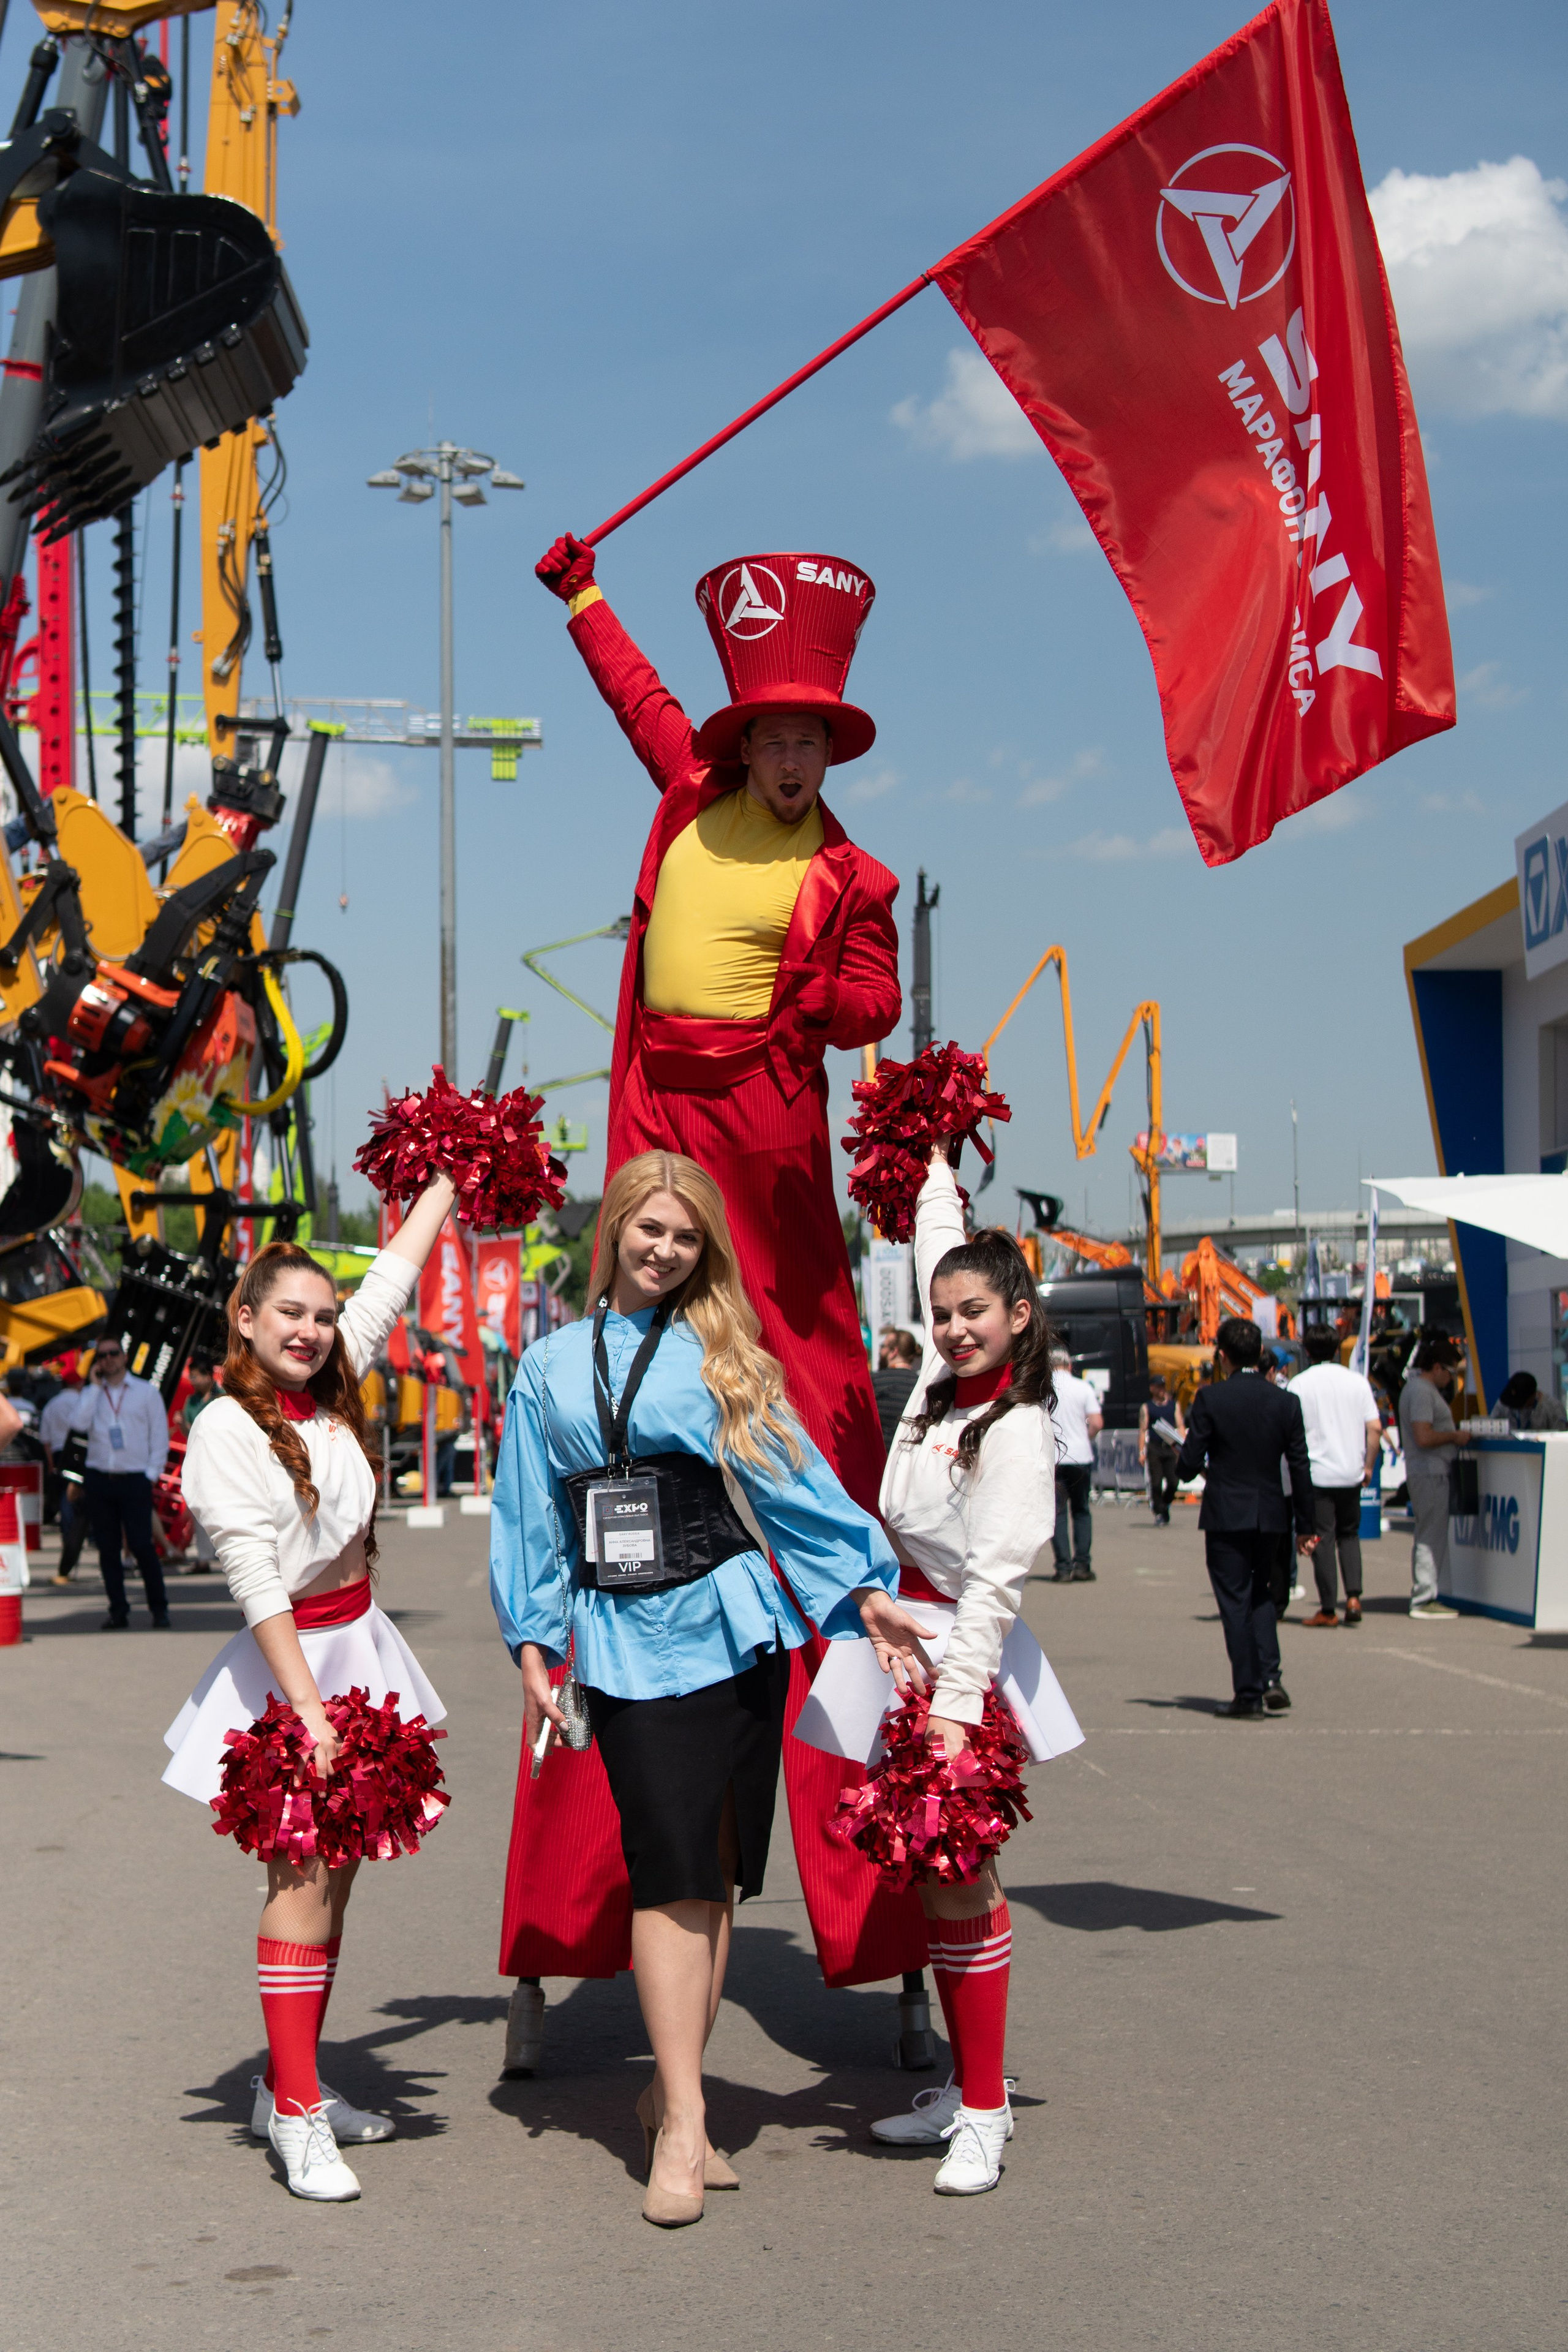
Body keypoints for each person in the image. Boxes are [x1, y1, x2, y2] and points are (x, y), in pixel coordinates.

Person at [503, 532, 922, 2028]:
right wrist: (582, 597)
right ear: (745, 743)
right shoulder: (688, 788)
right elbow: (637, 696)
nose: (793, 758)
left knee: (793, 1394)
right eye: (776, 737)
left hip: (763, 1124)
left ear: (830, 751)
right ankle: (574, 1926)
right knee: (619, 1369)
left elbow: (874, 994)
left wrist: (829, 1002)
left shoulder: (851, 873)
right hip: (659, 1109)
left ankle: (882, 1908)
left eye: (814, 740)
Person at [490, 1151, 927, 2226]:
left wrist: (864, 1589)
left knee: (718, 1875)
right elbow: (529, 1511)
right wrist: (534, 1641)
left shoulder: (725, 1353)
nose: (666, 1250)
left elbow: (792, 1484)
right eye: (652, 1229)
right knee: (669, 1871)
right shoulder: (547, 1366)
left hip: (734, 1632)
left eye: (687, 1238)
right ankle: (686, 2120)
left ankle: (669, 2097)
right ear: (615, 1227)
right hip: (623, 1644)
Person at [162, 1174, 457, 2203]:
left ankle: (293, 2088)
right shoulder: (224, 1428)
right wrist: (309, 1712)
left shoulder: (333, 1386)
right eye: (290, 1312)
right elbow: (255, 1583)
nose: (314, 1331)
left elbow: (392, 1281)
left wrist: (451, 1174)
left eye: (324, 1317)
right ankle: (295, 2115)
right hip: (292, 1672)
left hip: (361, 1653)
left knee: (337, 1885)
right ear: (244, 1318)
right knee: (300, 1886)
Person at [866, 1151, 1078, 2194]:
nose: (953, 1328)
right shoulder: (936, 1393)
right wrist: (932, 1159)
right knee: (937, 1880)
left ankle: (987, 2111)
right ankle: (965, 2088)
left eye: (975, 1313)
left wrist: (954, 1708)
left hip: (961, 1664)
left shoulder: (1021, 1428)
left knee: (963, 1876)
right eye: (943, 1313)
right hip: (904, 1652)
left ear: (1020, 1317)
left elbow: (996, 1585)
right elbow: (935, 1244)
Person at [1175, 1317, 1316, 1717]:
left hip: (1226, 1512)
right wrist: (1306, 1525)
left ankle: (1249, 1693)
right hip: (1271, 1511)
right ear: (1260, 1354)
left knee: (1235, 1600)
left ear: (1222, 1356)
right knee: (1261, 1593)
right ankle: (1270, 1676)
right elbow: (1300, 1466)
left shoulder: (1211, 1398)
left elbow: (1189, 1465)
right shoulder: (1286, 1402)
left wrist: (1182, 1460)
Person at [77, 1335, 171, 1630]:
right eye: (102, 1356)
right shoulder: (93, 1393)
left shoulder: (146, 1392)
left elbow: (159, 1436)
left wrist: (151, 1475)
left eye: (113, 1353)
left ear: (125, 1357)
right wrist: (94, 1387)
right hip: (100, 1478)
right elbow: (78, 1424)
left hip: (134, 1479)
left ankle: (159, 1608)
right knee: (108, 1549)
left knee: (142, 1545)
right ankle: (118, 1610)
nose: (108, 1359)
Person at [1290, 1326, 1381, 1627]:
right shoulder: (1357, 1382)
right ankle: (1354, 1597)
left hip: (1317, 1474)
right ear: (1337, 1348)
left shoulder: (1299, 1384)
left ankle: (1328, 1608)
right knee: (1350, 1534)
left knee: (1323, 1539)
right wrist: (1368, 1466)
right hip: (1350, 1471)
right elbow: (1375, 1428)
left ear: (1307, 1351)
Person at [1397, 1337, 1466, 1621]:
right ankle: (1424, 1598)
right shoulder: (1422, 1392)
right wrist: (1454, 1436)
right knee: (1431, 1535)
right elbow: (1423, 1437)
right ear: (1437, 1367)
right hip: (1430, 1472)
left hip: (1426, 1471)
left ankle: (1428, 1593)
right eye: (1450, 1372)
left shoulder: (1416, 1389)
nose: (1451, 1379)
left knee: (1429, 1533)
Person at [1047, 1346, 1102, 1581]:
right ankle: (1082, 1564)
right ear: (1070, 1365)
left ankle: (1063, 1567)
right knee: (1081, 1510)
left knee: (1057, 1513)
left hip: (1054, 1457)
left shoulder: (1043, 1388)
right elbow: (1097, 1422)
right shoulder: (1083, 1387)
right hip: (1080, 1456)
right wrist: (1085, 1436)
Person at [39, 1368, 88, 1585]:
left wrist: (52, 1465)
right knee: (79, 1503)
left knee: (65, 1501)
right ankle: (76, 1539)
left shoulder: (52, 1405)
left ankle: (69, 1538)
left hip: (60, 1455)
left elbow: (46, 1440)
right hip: (80, 1453)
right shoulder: (83, 1401)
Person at [1139, 1374, 1185, 1525]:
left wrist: (1184, 1446)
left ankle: (1165, 1505)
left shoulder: (1173, 1406)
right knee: (1156, 1483)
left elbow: (1180, 1426)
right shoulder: (1147, 1407)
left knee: (1173, 1481)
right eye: (1159, 1387)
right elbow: (1143, 1430)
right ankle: (1158, 1512)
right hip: (1155, 1448)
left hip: (1171, 1448)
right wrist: (1141, 1452)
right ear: (1152, 1389)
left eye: (1163, 1387)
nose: (1162, 1390)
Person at [873, 1325, 922, 1452]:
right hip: (908, 1456)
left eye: (883, 1346)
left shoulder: (875, 1381)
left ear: (894, 1351)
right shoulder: (921, 1385)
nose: (880, 1351)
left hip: (879, 1455)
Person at [1498, 1370, 1567, 1433]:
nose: (1516, 1406)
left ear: (1533, 1395)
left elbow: (1561, 1437)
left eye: (1520, 1403)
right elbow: (1493, 1429)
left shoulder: (1553, 1409)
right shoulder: (1505, 1402)